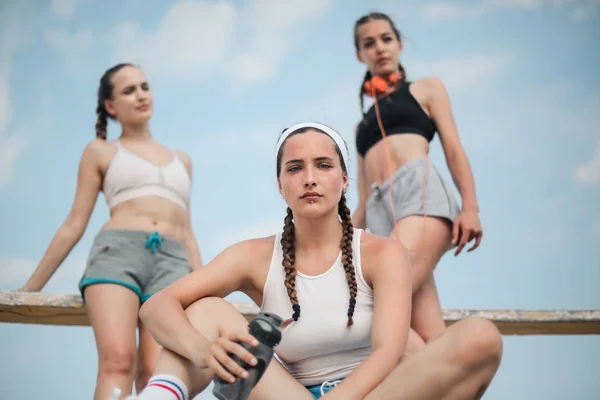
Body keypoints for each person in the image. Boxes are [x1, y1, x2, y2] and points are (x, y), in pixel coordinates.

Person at [127, 122, 502, 400]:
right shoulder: (253, 255)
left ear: (344, 179)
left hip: (371, 395)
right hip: (289, 395)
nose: (309, 179)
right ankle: (161, 395)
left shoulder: (381, 253)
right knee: (207, 309)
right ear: (280, 185)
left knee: (480, 336)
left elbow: (388, 352)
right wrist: (202, 351)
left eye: (323, 165)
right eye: (294, 168)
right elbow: (155, 306)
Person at [17, 63, 203, 400]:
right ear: (111, 106)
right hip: (117, 257)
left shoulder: (182, 160)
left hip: (173, 266)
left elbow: (187, 233)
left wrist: (206, 288)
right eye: (129, 90)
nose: (141, 95)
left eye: (144, 86)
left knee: (156, 373)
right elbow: (75, 222)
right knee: (118, 361)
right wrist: (32, 287)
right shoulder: (101, 151)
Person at [351, 12, 484, 345]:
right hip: (381, 216)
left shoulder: (427, 88)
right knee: (424, 337)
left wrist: (470, 207)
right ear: (359, 55)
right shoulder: (361, 126)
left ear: (398, 44)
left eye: (386, 39)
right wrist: (339, 242)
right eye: (369, 43)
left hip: (419, 194)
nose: (379, 48)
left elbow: (453, 149)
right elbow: (363, 199)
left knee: (375, 303)